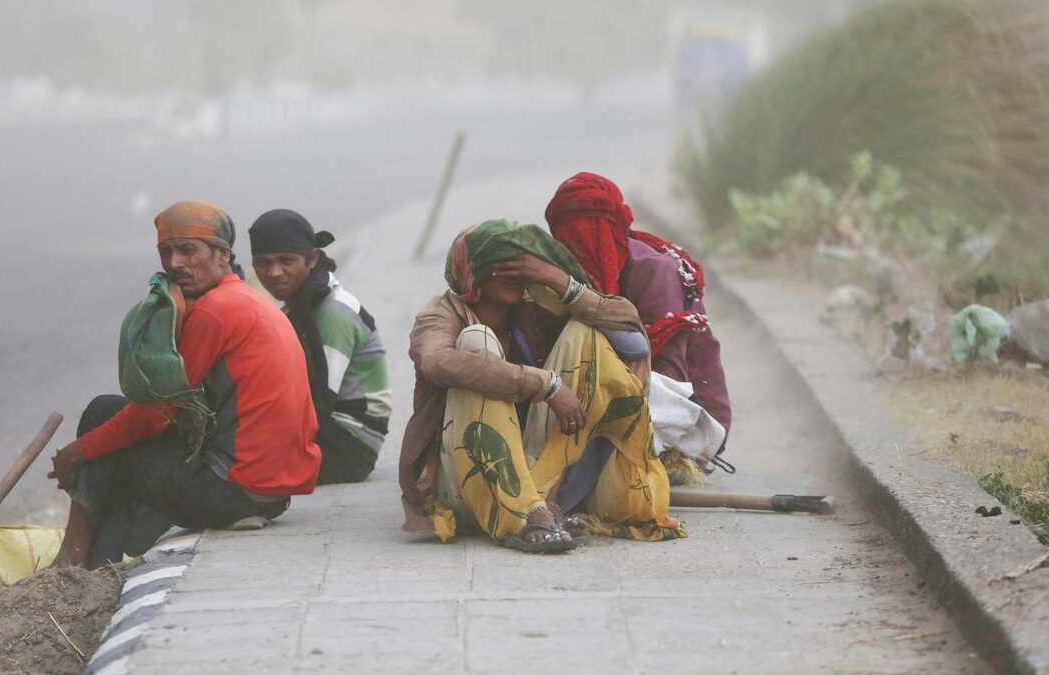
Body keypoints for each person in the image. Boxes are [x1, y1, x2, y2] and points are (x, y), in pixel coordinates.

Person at [47, 200, 321, 569]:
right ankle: (95, 563)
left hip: (237, 491)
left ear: (223, 256)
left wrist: (76, 453)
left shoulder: (214, 312)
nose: (175, 264)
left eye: (188, 250)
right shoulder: (245, 300)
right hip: (272, 491)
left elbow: (153, 416)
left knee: (105, 443)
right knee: (106, 416)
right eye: (166, 252)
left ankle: (74, 558)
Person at [398, 219, 686, 553]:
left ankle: (545, 503)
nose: (517, 279)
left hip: (534, 475)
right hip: (461, 481)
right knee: (477, 342)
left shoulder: (534, 312)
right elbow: (437, 362)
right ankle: (524, 514)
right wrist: (543, 384)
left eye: (521, 269)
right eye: (504, 268)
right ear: (473, 274)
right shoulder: (440, 314)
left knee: (585, 334)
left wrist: (560, 283)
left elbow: (632, 340)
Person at [546, 172, 733, 472]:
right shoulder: (559, 276)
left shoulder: (651, 271)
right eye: (571, 239)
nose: (582, 249)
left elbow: (670, 383)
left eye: (593, 234)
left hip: (681, 423)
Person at [248, 209, 391, 485]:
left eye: (287, 261)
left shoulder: (331, 313)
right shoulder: (302, 304)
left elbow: (317, 402)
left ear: (312, 259)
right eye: (263, 263)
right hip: (329, 434)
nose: (274, 272)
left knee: (240, 467)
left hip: (350, 446)